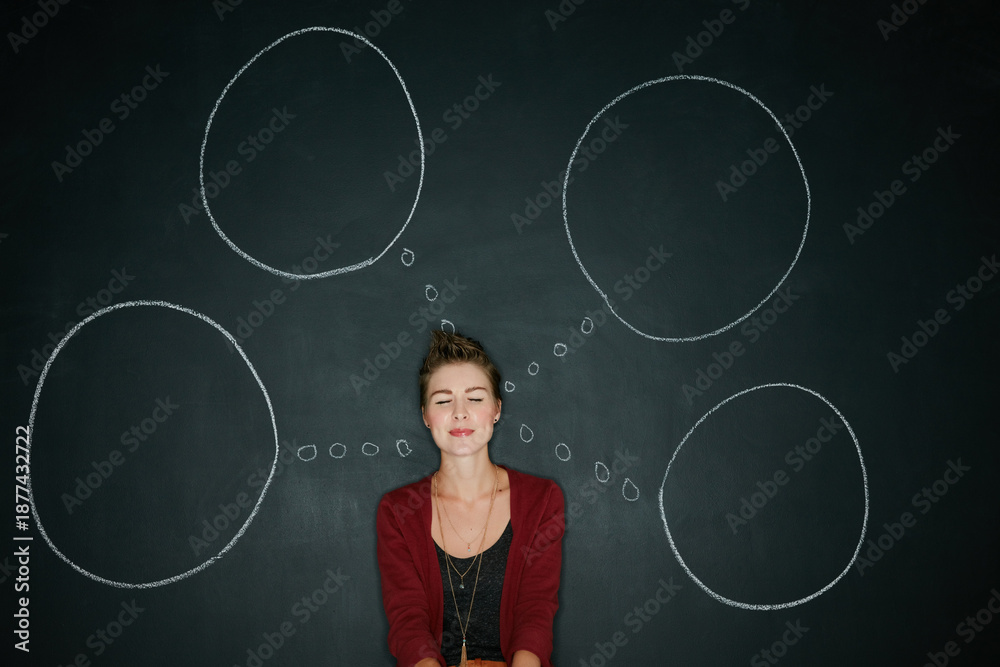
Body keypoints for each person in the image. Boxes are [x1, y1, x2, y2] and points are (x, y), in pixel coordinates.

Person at [377, 330, 565, 667]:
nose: (460, 413)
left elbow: (535, 610)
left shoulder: (541, 500)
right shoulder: (397, 511)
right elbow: (408, 621)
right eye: (443, 401)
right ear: (425, 415)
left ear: (496, 409)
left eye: (475, 399)